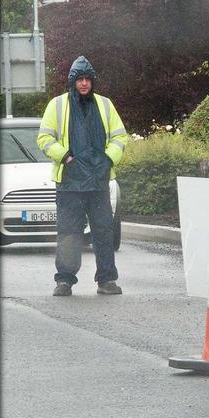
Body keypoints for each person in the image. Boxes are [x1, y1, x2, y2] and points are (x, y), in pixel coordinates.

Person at [37, 55, 127, 296]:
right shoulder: (57, 105)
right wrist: (65, 156)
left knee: (103, 232)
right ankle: (65, 280)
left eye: (88, 79)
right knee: (68, 233)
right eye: (80, 79)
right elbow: (44, 138)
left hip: (98, 180)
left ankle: (107, 280)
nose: (84, 83)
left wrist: (108, 159)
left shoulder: (105, 105)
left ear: (93, 82)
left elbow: (120, 136)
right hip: (70, 181)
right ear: (72, 82)